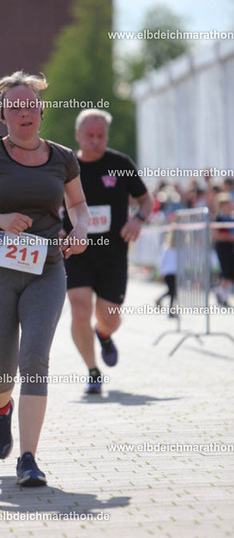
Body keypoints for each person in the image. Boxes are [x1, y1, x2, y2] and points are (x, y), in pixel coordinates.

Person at [0, 71, 89, 487]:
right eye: (15, 107)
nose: (24, 112)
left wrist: (80, 229)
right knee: (1, 371)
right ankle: (0, 407)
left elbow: (78, 204)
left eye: (30, 105)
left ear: (41, 112)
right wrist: (0, 220)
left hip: (47, 269)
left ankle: (28, 458)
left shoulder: (63, 157)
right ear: (2, 114)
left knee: (34, 360)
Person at [63, 109, 154, 395]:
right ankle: (92, 370)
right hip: (76, 252)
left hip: (113, 255)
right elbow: (48, 204)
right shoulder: (66, 166)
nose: (95, 141)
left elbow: (146, 200)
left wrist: (138, 220)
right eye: (89, 135)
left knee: (110, 318)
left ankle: (103, 334)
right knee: (79, 310)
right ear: (78, 135)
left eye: (101, 136)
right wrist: (55, 229)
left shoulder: (120, 164)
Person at [212, 193, 234, 307]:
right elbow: (215, 235)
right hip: (223, 248)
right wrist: (229, 237)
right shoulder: (219, 219)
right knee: (227, 272)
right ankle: (222, 295)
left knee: (230, 273)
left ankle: (221, 293)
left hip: (231, 248)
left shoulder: (231, 218)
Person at [155, 231, 177, 317]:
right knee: (172, 291)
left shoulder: (169, 248)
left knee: (172, 291)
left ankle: (168, 307)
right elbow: (162, 261)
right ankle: (170, 309)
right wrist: (161, 273)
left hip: (171, 272)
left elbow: (162, 261)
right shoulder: (167, 247)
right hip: (170, 272)